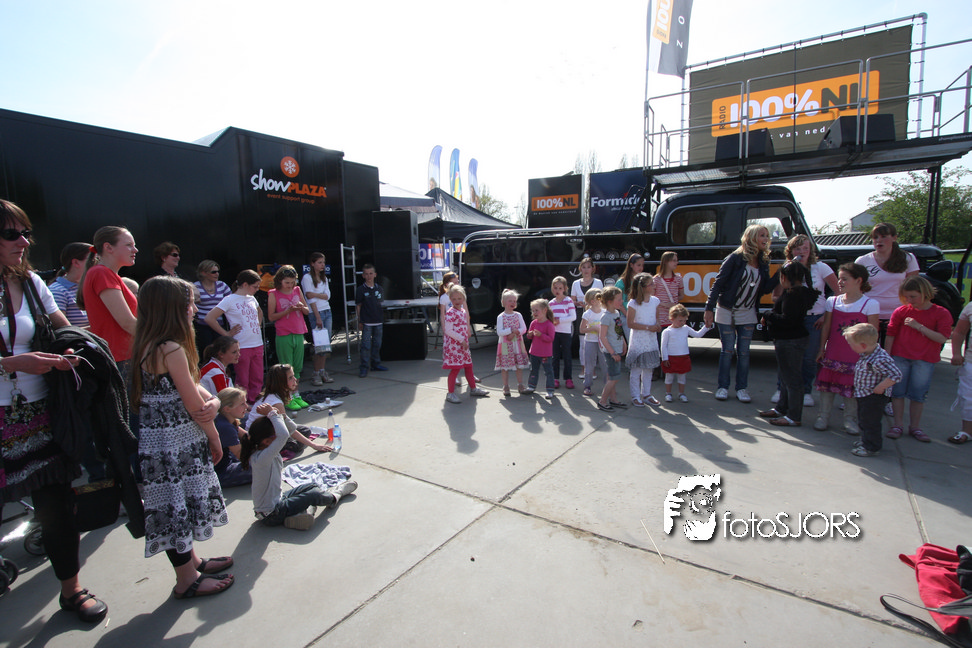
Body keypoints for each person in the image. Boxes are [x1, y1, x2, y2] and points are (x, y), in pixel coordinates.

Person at [0, 199, 108, 623]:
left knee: (58, 506)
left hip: (42, 412)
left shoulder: (31, 282)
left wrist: (74, 350)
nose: (24, 242)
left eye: (25, 233)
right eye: (11, 234)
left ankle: (71, 590)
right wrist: (11, 363)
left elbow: (64, 328)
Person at [130, 275, 233, 600]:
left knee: (177, 503)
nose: (194, 309)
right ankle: (186, 580)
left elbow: (193, 384)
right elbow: (194, 404)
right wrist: (214, 435)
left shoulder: (149, 343)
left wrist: (214, 400)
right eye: (189, 303)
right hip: (176, 444)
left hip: (159, 444)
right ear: (172, 308)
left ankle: (192, 563)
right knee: (176, 507)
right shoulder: (172, 347)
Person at [240, 406, 356, 530]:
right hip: (272, 514)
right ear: (267, 441)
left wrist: (282, 416)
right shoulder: (262, 458)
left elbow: (291, 429)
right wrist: (272, 414)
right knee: (314, 494)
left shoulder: (264, 449)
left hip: (278, 501)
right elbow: (283, 435)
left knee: (311, 486)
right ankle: (335, 496)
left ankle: (303, 513)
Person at [704, 224, 775, 403]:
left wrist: (781, 273)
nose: (766, 239)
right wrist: (709, 308)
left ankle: (742, 388)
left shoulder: (763, 261)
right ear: (752, 237)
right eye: (762, 235)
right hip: (727, 311)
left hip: (748, 312)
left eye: (767, 236)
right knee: (727, 350)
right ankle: (722, 387)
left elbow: (765, 289)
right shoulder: (735, 258)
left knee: (744, 353)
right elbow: (718, 284)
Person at [771, 235, 838, 407]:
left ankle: (806, 391)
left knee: (809, 358)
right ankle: (781, 389)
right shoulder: (786, 268)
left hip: (814, 318)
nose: (802, 252)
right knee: (786, 356)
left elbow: (838, 293)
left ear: (811, 250)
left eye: (805, 248)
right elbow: (775, 296)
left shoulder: (821, 267)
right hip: (792, 318)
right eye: (797, 249)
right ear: (790, 251)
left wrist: (826, 315)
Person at [884, 276, 952, 443]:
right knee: (897, 393)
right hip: (900, 357)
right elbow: (890, 334)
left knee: (918, 395)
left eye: (913, 296)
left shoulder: (941, 313)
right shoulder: (901, 311)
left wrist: (919, 327)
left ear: (925, 293)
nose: (909, 300)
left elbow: (942, 337)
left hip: (924, 359)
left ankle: (915, 427)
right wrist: (887, 357)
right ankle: (897, 425)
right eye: (906, 297)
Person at [813, 263, 879, 433]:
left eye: (844, 279)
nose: (840, 282)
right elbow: (827, 327)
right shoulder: (833, 301)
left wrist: (870, 356)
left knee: (851, 387)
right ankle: (822, 416)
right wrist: (822, 348)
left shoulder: (870, 304)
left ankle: (850, 419)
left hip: (855, 356)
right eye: (839, 278)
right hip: (834, 351)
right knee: (827, 386)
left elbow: (873, 333)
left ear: (859, 280)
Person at [757, 263, 820, 427]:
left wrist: (768, 314)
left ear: (784, 277)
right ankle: (782, 408)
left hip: (790, 341)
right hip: (789, 340)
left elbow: (788, 320)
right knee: (786, 377)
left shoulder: (794, 295)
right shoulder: (796, 292)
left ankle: (793, 416)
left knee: (792, 379)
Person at [77, 226, 138, 368]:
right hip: (121, 359)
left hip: (122, 357)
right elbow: (127, 322)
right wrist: (160, 337)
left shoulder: (103, 273)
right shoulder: (101, 273)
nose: (135, 250)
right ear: (108, 247)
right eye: (129, 245)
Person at [206, 269, 264, 404]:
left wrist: (258, 325)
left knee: (257, 377)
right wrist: (226, 334)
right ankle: (242, 404)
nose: (257, 289)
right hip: (241, 345)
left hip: (257, 343)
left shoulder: (252, 298)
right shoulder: (229, 299)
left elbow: (259, 312)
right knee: (243, 379)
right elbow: (209, 318)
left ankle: (255, 403)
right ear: (245, 284)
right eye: (255, 287)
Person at [843, 323, 902, 458]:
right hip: (864, 394)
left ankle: (871, 447)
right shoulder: (867, 354)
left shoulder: (880, 359)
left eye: (851, 344)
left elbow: (896, 375)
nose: (850, 347)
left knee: (870, 422)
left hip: (874, 397)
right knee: (863, 420)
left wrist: (881, 387)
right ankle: (865, 440)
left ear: (863, 345)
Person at [246, 364, 332, 454]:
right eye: (290, 378)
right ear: (281, 382)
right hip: (260, 439)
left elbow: (288, 425)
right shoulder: (276, 402)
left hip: (268, 431)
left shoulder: (271, 394)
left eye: (293, 376)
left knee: (305, 430)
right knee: (295, 445)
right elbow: (289, 429)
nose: (295, 379)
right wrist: (314, 445)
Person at [854, 223, 919, 339]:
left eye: (884, 236)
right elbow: (855, 290)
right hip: (870, 314)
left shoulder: (908, 258)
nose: (879, 240)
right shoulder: (862, 261)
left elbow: (914, 288)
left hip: (898, 314)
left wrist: (910, 314)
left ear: (894, 238)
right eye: (875, 237)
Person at [268, 265, 309, 409]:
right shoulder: (273, 293)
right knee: (286, 368)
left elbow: (306, 311)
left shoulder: (297, 290)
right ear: (280, 280)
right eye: (287, 282)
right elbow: (271, 316)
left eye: (292, 282)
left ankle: (296, 395)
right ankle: (287, 397)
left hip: (298, 331)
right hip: (284, 333)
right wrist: (288, 310)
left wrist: (301, 307)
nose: (290, 285)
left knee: (297, 367)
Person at [443, 284, 489, 403]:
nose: (457, 301)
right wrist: (461, 339)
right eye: (454, 299)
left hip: (463, 345)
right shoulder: (450, 313)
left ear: (463, 298)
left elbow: (463, 325)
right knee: (455, 369)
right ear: (450, 299)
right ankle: (450, 393)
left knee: (468, 366)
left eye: (459, 298)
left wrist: (466, 334)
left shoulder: (462, 311)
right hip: (455, 346)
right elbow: (448, 330)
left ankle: (473, 389)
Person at [660, 304, 711, 403]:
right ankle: (668, 393)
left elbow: (697, 335)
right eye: (680, 320)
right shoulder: (667, 331)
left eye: (684, 320)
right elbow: (663, 346)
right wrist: (664, 358)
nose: (682, 323)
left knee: (682, 377)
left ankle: (681, 393)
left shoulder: (686, 328)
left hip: (683, 357)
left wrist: (706, 327)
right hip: (671, 358)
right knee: (669, 377)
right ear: (672, 318)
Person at [625, 272, 661, 407]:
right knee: (636, 370)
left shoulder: (655, 301)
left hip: (650, 341)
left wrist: (657, 326)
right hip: (638, 341)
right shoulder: (633, 303)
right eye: (651, 284)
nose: (654, 286)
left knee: (648, 369)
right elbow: (630, 323)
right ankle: (635, 395)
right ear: (643, 287)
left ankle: (646, 394)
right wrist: (647, 327)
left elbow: (657, 318)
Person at [302, 252, 334, 386]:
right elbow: (310, 297)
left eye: (323, 262)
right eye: (319, 262)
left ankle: (322, 370)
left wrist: (317, 294)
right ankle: (316, 373)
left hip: (327, 311)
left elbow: (327, 295)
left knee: (325, 345)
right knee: (319, 345)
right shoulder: (307, 278)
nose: (322, 265)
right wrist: (317, 317)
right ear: (312, 263)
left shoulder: (324, 278)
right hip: (316, 313)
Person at [213, 387, 253, 489]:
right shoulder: (225, 427)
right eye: (242, 404)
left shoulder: (225, 419)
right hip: (221, 472)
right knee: (263, 466)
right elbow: (241, 456)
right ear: (227, 409)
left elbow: (247, 436)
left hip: (227, 460)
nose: (246, 406)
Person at [571, 258, 602, 379]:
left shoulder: (598, 282)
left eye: (588, 267)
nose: (586, 270)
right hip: (581, 314)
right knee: (583, 343)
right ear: (580, 269)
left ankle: (592, 369)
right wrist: (578, 303)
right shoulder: (575, 283)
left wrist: (590, 304)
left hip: (595, 314)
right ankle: (583, 368)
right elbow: (572, 300)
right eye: (584, 267)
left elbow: (601, 299)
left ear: (593, 268)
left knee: (594, 343)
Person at [597, 286, 628, 411]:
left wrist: (624, 343)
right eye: (619, 299)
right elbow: (603, 337)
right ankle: (602, 401)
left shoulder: (616, 313)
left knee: (612, 377)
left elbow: (618, 330)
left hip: (617, 349)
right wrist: (613, 353)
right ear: (610, 302)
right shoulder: (606, 317)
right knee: (614, 378)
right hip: (611, 352)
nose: (622, 301)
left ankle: (613, 400)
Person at [494, 288, 529, 396]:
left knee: (519, 365)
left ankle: (520, 384)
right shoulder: (501, 317)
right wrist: (510, 330)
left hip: (517, 343)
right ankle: (505, 386)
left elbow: (524, 328)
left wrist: (515, 333)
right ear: (504, 302)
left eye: (514, 301)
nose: (513, 303)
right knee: (505, 365)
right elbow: (499, 332)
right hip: (505, 344)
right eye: (510, 301)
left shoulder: (518, 315)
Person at [193, 260, 232, 357]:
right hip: (202, 326)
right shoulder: (195, 287)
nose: (217, 274)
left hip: (219, 325)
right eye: (213, 272)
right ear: (203, 273)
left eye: (218, 271)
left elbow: (232, 301)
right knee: (206, 352)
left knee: (221, 352)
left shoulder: (222, 285)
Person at [49, 242, 91, 328]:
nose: (98, 264)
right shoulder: (57, 291)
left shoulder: (89, 287)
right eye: (93, 259)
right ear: (76, 262)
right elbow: (62, 331)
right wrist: (100, 328)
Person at [355, 263, 387, 377]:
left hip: (378, 321)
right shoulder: (360, 289)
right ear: (363, 275)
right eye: (366, 274)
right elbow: (358, 305)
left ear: (375, 274)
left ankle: (376, 364)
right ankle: (364, 367)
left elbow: (381, 303)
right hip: (367, 322)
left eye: (371, 273)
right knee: (366, 346)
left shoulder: (380, 288)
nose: (369, 276)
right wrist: (360, 320)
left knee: (377, 344)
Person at [948, 300, 972, 444]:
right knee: (967, 397)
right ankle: (966, 431)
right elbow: (959, 332)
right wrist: (956, 353)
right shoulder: (971, 307)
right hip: (970, 361)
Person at [523, 298, 556, 398]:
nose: (534, 313)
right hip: (534, 352)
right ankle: (531, 386)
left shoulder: (549, 324)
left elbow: (551, 338)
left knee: (548, 371)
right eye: (533, 310)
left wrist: (541, 335)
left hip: (545, 353)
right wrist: (529, 335)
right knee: (533, 370)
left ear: (545, 310)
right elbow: (529, 337)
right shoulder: (534, 323)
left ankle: (550, 390)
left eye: (536, 310)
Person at [580, 288, 608, 397]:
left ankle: (608, 386)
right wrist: (594, 328)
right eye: (599, 298)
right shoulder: (587, 314)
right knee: (589, 365)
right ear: (593, 301)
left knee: (605, 364)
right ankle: (587, 386)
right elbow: (582, 330)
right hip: (590, 341)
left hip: (603, 342)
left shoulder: (604, 312)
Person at [549, 276, 576, 389]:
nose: (557, 290)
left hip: (565, 332)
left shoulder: (568, 300)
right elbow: (549, 317)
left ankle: (568, 378)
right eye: (555, 288)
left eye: (560, 288)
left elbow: (573, 317)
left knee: (567, 355)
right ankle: (555, 378)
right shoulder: (551, 303)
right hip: (554, 332)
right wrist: (551, 321)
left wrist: (559, 320)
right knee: (555, 356)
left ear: (564, 288)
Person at [653, 251, 684, 338]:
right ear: (666, 262)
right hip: (661, 319)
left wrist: (675, 303)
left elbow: (681, 295)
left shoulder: (678, 279)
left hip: (674, 319)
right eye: (674, 260)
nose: (676, 263)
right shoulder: (656, 280)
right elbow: (651, 299)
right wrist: (665, 304)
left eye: (676, 260)